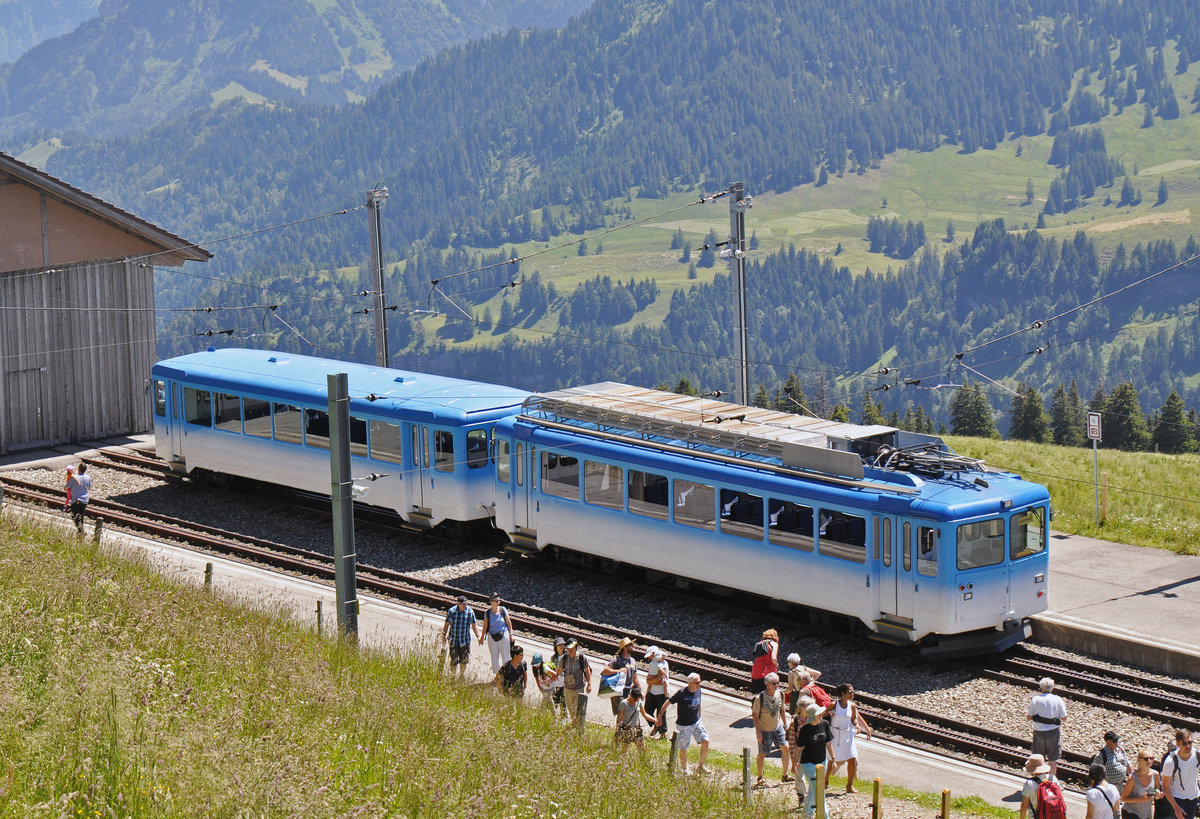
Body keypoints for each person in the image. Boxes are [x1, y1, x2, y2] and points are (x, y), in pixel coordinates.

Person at [657, 672, 710, 776]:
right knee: (684, 748)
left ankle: (701, 765)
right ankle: (684, 769)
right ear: (690, 683)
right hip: (684, 725)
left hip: (696, 722)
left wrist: (700, 717)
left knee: (706, 740)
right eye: (697, 682)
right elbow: (667, 702)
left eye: (700, 682)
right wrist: (660, 717)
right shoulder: (681, 693)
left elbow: (699, 704)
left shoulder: (699, 690)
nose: (699, 684)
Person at [827, 683, 871, 794]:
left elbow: (853, 719)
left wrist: (857, 725)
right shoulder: (834, 704)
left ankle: (849, 785)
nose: (853, 694)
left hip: (847, 735)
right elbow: (824, 714)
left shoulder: (852, 706)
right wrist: (829, 713)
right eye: (850, 692)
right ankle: (825, 781)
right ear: (843, 693)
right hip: (835, 735)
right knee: (831, 761)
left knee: (852, 759)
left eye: (853, 692)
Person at [752, 671, 790, 786]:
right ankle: (760, 776)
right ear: (767, 684)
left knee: (785, 748)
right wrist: (758, 732)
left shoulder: (780, 694)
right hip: (764, 729)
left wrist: (784, 723)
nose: (777, 685)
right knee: (762, 754)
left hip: (777, 727)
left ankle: (785, 774)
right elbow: (755, 715)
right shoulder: (760, 698)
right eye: (774, 683)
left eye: (778, 682)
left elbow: (782, 710)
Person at [796, 702, 834, 819]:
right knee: (817, 786)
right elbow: (798, 749)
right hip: (807, 763)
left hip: (822, 762)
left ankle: (807, 814)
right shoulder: (805, 730)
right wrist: (794, 763)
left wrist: (834, 759)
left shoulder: (825, 724)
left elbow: (828, 743)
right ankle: (824, 815)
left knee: (815, 788)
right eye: (818, 714)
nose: (820, 716)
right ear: (812, 717)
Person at [1029, 677, 1067, 778]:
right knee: (1052, 760)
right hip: (1053, 732)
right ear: (1052, 688)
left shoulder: (1036, 699)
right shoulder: (1058, 699)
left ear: (1041, 688)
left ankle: (1039, 781)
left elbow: (1029, 717)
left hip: (1038, 732)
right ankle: (1051, 782)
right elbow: (1064, 718)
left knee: (1039, 759)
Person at [1163, 729, 1200, 819]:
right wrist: (1176, 808)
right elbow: (1166, 787)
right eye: (1184, 743)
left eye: (1190, 743)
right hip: (1178, 799)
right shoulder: (1171, 761)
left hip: (1194, 798)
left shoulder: (1197, 755)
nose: (1188, 746)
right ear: (1178, 743)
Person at [441, 594, 480, 676]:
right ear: (458, 603)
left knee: (464, 660)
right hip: (453, 640)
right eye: (463, 604)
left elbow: (474, 625)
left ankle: (462, 675)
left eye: (466, 604)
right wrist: (443, 636)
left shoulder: (470, 612)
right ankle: (453, 675)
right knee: (454, 660)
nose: (464, 606)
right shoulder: (452, 611)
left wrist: (478, 636)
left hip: (465, 640)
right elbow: (447, 624)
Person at [1120, 747, 1163, 819]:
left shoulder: (1155, 774)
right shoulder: (1132, 778)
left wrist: (1157, 794)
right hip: (1131, 813)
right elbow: (1123, 798)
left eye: (1151, 758)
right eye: (1146, 759)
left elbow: (1155, 790)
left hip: (1145, 814)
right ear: (1139, 760)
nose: (1149, 761)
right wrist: (1140, 799)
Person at [600, 637, 638, 716]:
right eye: (630, 644)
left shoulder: (633, 661)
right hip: (617, 691)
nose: (633, 646)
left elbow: (635, 677)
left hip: (628, 691)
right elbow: (605, 671)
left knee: (628, 713)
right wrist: (619, 671)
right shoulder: (616, 660)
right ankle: (619, 728)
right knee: (620, 713)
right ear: (624, 648)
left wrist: (639, 689)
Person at [478, 593, 514, 674]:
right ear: (491, 601)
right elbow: (485, 626)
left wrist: (511, 634)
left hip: (503, 635)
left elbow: (508, 622)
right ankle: (497, 676)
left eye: (499, 600)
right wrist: (482, 637)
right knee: (494, 657)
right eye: (496, 600)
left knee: (506, 656)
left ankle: (507, 675)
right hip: (492, 636)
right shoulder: (487, 613)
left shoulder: (503, 610)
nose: (498, 602)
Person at [560, 639, 591, 729]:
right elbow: (560, 670)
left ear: (576, 648)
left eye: (571, 649)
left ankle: (578, 728)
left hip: (579, 688)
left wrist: (589, 683)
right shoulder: (564, 658)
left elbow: (587, 670)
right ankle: (575, 726)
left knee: (578, 710)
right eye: (568, 649)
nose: (570, 651)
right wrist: (553, 678)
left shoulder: (582, 657)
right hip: (568, 688)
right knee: (571, 710)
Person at [1019, 753, 1061, 819]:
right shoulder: (1052, 778)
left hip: (1036, 816)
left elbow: (1024, 805)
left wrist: (1021, 818)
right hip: (1052, 815)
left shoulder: (1029, 784)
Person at [614, 687, 653, 752]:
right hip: (627, 729)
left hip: (636, 728)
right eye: (636, 698)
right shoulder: (623, 703)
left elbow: (644, 714)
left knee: (642, 749)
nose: (637, 700)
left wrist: (655, 720)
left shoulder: (639, 702)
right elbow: (619, 718)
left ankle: (642, 761)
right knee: (625, 749)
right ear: (632, 696)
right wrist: (618, 729)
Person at [644, 646, 670, 739]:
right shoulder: (653, 664)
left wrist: (651, 680)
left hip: (661, 693)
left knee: (661, 713)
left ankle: (663, 734)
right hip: (652, 691)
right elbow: (649, 680)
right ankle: (656, 724)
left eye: (650, 655)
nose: (649, 658)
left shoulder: (663, 663)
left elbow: (661, 679)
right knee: (647, 710)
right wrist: (651, 681)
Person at [785, 653, 822, 718]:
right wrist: (812, 680)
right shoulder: (804, 668)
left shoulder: (791, 673)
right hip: (806, 692)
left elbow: (790, 689)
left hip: (795, 695)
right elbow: (818, 673)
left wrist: (783, 692)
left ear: (791, 662)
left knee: (794, 714)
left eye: (788, 662)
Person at [750, 628, 779, 695]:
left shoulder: (760, 643)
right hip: (768, 672)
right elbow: (773, 658)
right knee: (768, 694)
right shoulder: (774, 644)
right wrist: (776, 664)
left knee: (758, 694)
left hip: (757, 670)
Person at [65, 462, 91, 534]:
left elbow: (66, 488)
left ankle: (81, 531)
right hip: (85, 500)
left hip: (76, 500)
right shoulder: (88, 477)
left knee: (74, 517)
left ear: (78, 469)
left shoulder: (73, 478)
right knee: (81, 517)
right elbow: (89, 487)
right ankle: (80, 533)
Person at [549, 637, 569, 719]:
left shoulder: (567, 656)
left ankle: (564, 719)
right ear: (555, 647)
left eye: (563, 645)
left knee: (563, 702)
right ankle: (553, 718)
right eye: (559, 645)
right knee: (555, 701)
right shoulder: (554, 658)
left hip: (565, 683)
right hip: (556, 684)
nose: (561, 646)